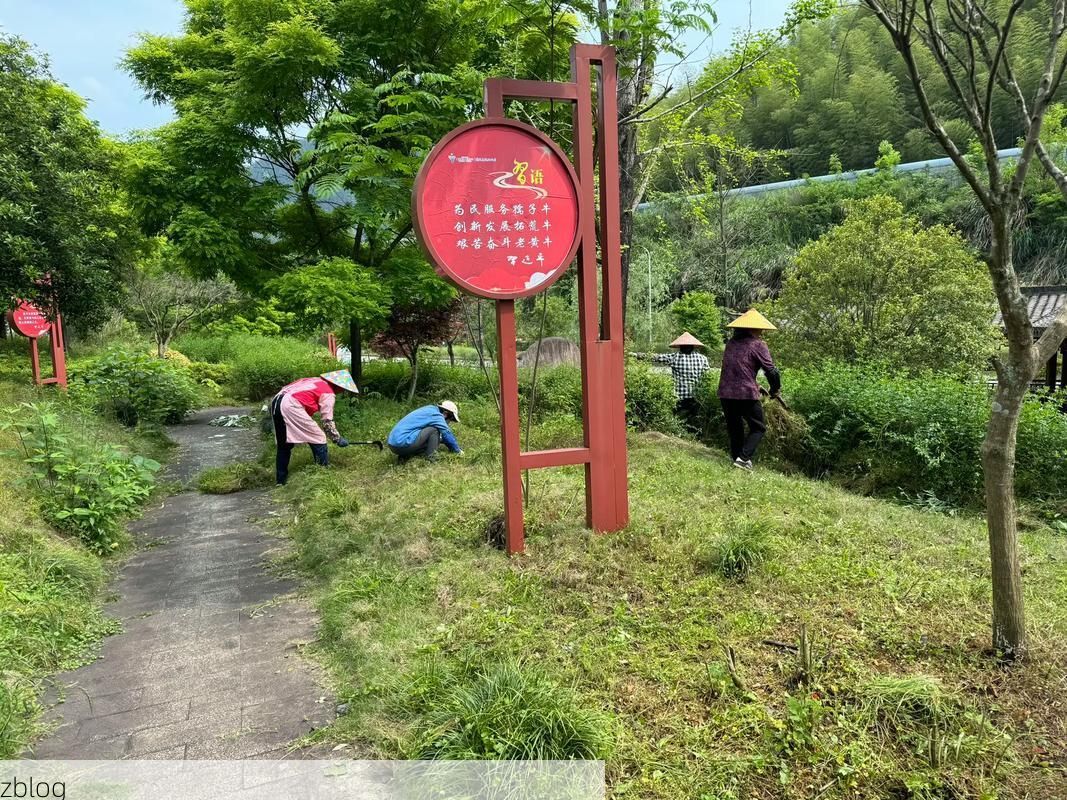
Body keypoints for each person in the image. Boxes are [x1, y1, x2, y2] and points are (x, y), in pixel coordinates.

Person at [718, 309, 781, 471]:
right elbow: (771, 371)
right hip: (745, 393)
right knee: (758, 428)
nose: (762, 332)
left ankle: (737, 459)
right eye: (759, 329)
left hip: (725, 392)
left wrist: (757, 385)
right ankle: (744, 459)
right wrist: (775, 389)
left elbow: (738, 369)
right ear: (751, 329)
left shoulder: (731, 344)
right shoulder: (758, 345)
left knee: (735, 428)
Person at [271, 369, 357, 485]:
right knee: (318, 437)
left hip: (276, 401)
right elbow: (327, 420)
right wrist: (337, 439)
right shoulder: (328, 392)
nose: (342, 391)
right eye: (343, 389)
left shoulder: (313, 380)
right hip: (291, 404)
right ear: (338, 386)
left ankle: (280, 481)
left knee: (284, 444)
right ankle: (323, 475)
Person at [648, 332, 710, 426]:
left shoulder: (674, 357)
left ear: (680, 346)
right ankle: (695, 437)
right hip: (697, 397)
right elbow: (707, 377)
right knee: (695, 421)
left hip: (679, 397)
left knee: (677, 420)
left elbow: (656, 358)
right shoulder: (702, 359)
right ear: (693, 346)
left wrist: (635, 355)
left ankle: (678, 434)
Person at [388, 401, 462, 463]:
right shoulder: (437, 416)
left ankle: (405, 456)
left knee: (431, 435)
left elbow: (432, 437)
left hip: (393, 445)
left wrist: (442, 441)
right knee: (434, 430)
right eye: (450, 419)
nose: (448, 422)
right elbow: (447, 434)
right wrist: (457, 451)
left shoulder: (429, 409)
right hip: (402, 443)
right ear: (445, 414)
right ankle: (431, 458)